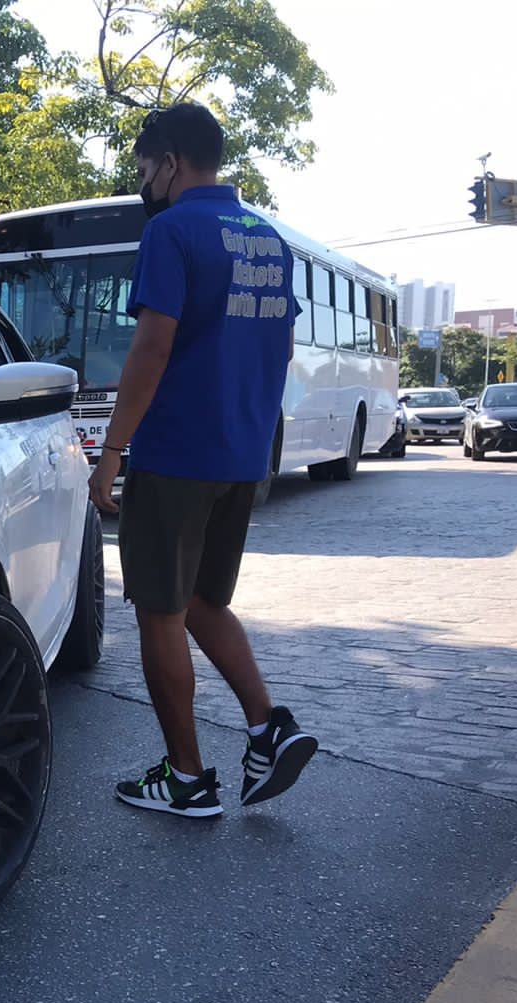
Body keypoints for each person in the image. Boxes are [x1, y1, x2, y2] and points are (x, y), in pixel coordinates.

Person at [87, 103, 318, 819]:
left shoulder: (172, 231)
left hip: (178, 452)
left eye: (144, 166)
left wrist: (111, 452)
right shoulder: (268, 238)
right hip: (241, 454)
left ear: (174, 162)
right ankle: (268, 727)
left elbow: (152, 348)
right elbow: (279, 349)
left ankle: (186, 778)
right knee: (202, 602)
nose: (143, 179)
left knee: (159, 610)